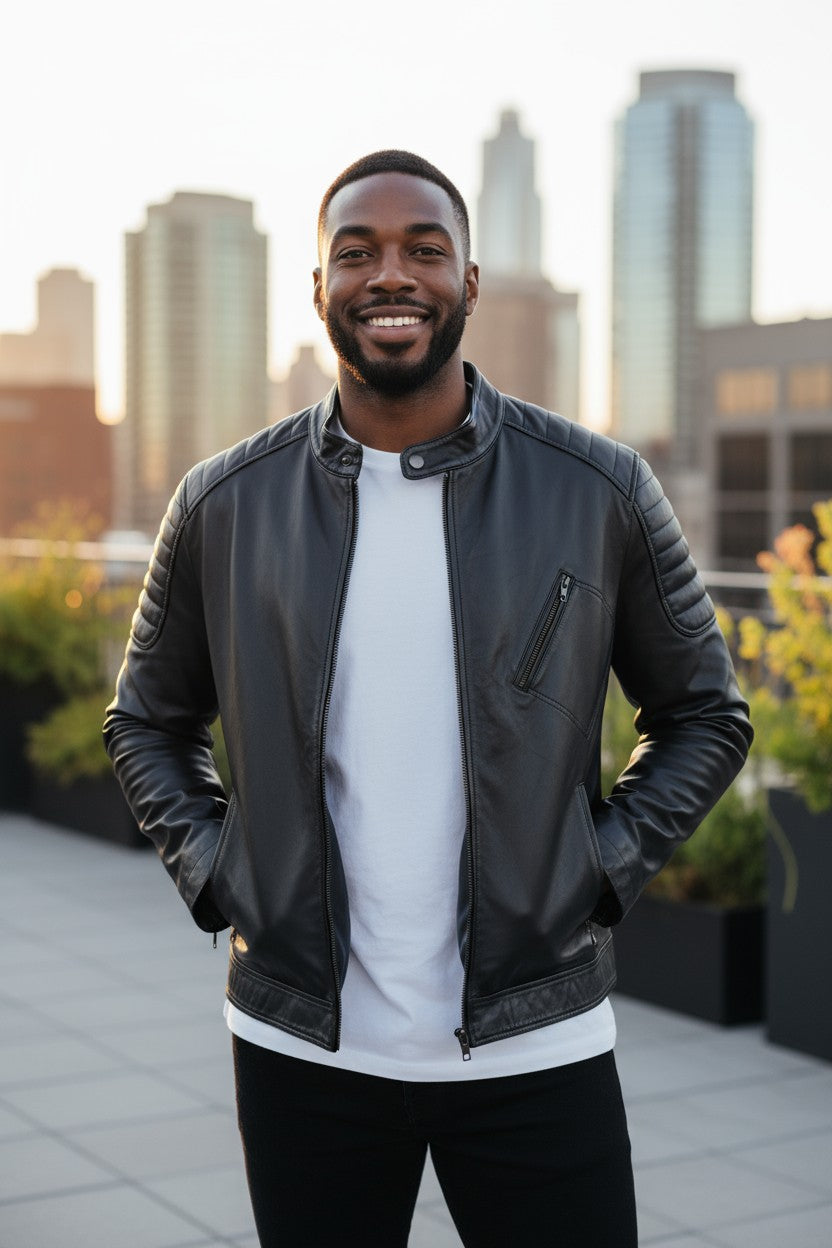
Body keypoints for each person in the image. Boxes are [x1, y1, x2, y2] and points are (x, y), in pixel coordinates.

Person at [105, 150, 753, 1248]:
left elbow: (705, 713)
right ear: (318, 289)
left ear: (470, 281)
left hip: (535, 1041)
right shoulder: (224, 502)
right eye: (354, 253)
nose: (388, 275)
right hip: (302, 1048)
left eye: (423, 249)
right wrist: (220, 874)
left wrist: (598, 870)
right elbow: (146, 724)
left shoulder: (593, 488)